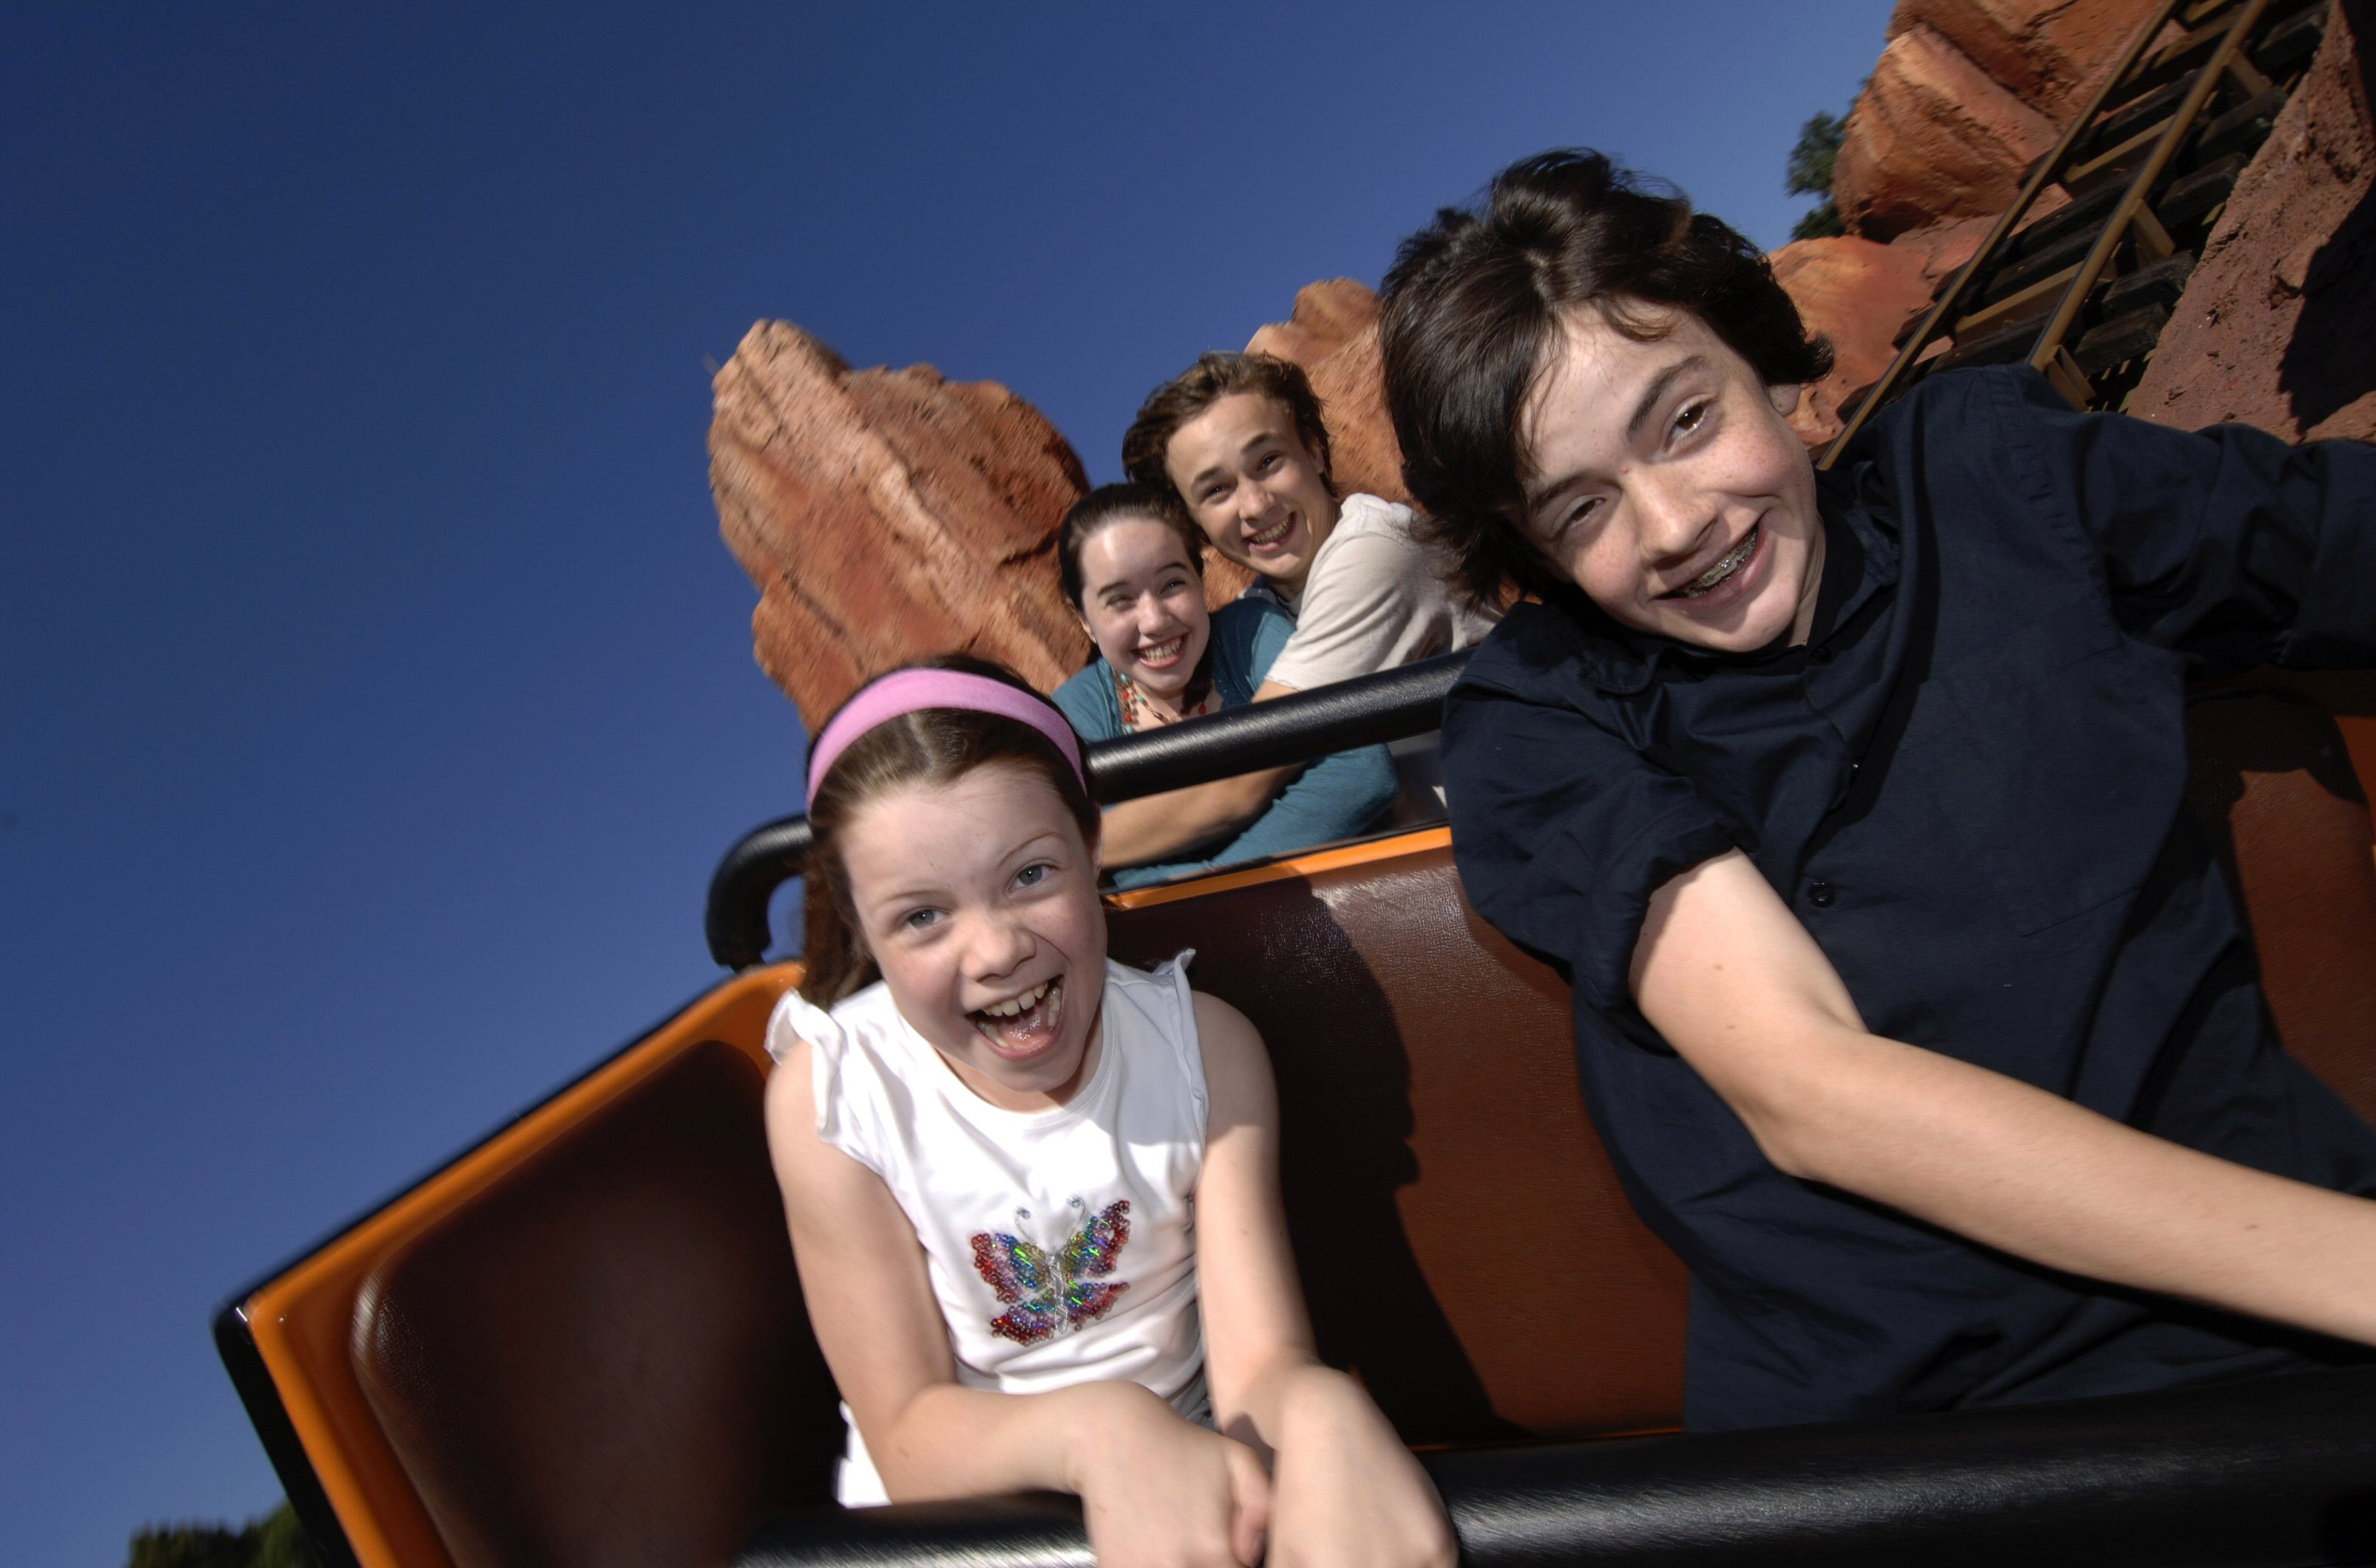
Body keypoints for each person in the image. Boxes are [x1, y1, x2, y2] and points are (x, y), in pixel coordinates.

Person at [1374, 149, 2376, 1431]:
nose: (1674, 524)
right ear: (1532, 550)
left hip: (2277, 1351)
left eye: (1683, 420)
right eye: (1580, 508)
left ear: (1765, 366)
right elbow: (1808, 1087)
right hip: (1909, 1434)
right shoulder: (1543, 712)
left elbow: (2324, 540)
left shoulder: (1992, 479)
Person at [763, 655, 1454, 1568]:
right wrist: (1101, 1434)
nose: (997, 949)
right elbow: (905, 1434)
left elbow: (1261, 1365)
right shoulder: (834, 1097)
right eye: (922, 918)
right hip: (961, 1532)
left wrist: (1318, 1409)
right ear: (863, 932)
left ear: (1093, 846)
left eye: (1030, 874)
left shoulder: (1204, 1051)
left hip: (1198, 1491)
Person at [1114, 353, 1498, 852]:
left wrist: (1076, 846)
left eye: (1269, 461)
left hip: (1539, 859)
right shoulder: (1259, 612)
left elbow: (1240, 782)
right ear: (1195, 524)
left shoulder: (1375, 550)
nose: (1255, 505)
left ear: (1315, 451)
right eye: (1217, 490)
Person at [1049, 483, 1396, 888]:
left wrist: (1213, 887)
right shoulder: (1079, 710)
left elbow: (1360, 769)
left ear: (1199, 579)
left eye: (1172, 585)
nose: (1156, 620)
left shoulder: (1248, 637)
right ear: (1084, 619)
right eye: (1120, 601)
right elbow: (1073, 849)